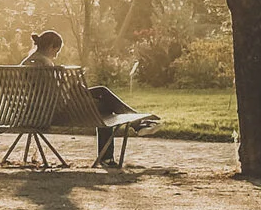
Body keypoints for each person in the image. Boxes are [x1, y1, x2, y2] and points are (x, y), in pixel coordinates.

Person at [19, 30, 159, 168]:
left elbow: (42, 93)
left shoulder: (26, 62)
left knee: (101, 92)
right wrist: (69, 83)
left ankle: (135, 126)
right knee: (105, 106)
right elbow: (55, 95)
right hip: (53, 114)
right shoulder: (45, 64)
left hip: (31, 114)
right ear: (51, 47)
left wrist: (69, 84)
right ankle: (133, 129)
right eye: (57, 51)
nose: (56, 55)